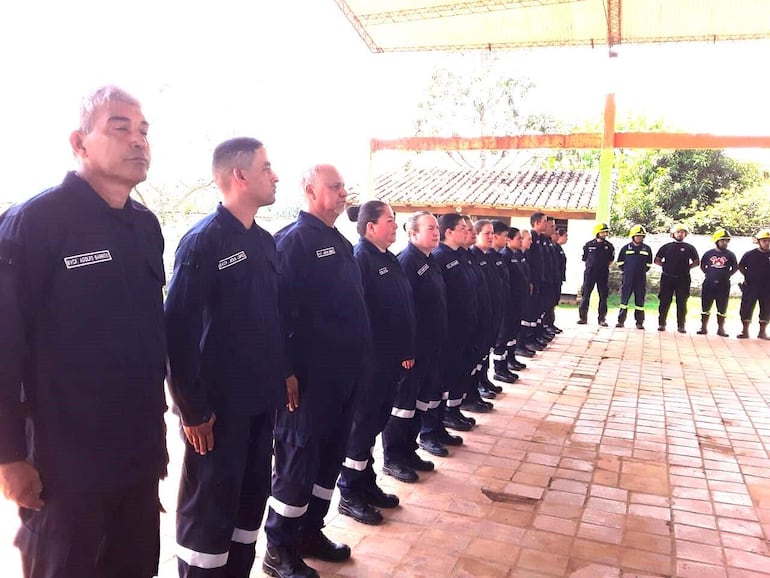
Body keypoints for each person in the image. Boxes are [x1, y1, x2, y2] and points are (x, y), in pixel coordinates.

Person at [0, 86, 167, 577]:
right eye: (120, 127)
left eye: (144, 132)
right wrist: (10, 455)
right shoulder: (35, 223)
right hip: (64, 467)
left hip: (137, 456)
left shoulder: (145, 226)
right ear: (79, 141)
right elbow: (4, 350)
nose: (138, 141)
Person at [165, 137, 285, 577]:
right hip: (217, 415)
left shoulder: (265, 242)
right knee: (208, 515)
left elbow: (270, 319)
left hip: (260, 405)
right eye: (267, 167)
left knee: (248, 507)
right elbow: (177, 330)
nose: (275, 176)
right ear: (240, 176)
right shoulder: (203, 242)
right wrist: (192, 409)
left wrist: (282, 377)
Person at [262, 164, 371, 578]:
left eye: (344, 185)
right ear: (309, 190)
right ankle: (279, 548)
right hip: (307, 383)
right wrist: (285, 370)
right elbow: (275, 314)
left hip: (343, 378)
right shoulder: (292, 243)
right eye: (335, 186)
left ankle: (310, 531)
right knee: (297, 464)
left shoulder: (337, 241)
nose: (344, 192)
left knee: (328, 460)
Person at [337, 201, 416, 522]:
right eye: (390, 221)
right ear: (371, 227)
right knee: (360, 429)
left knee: (374, 426)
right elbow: (359, 315)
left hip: (389, 362)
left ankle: (367, 483)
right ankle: (350, 491)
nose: (396, 226)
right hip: (371, 364)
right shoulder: (361, 259)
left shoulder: (388, 259)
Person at [384, 212, 449, 468]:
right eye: (430, 228)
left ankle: (409, 451)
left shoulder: (429, 259)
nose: (436, 232)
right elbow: (403, 309)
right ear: (412, 234)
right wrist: (407, 349)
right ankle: (394, 458)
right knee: (403, 407)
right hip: (413, 350)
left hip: (431, 347)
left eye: (436, 228)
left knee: (420, 402)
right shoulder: (407, 261)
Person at [431, 214, 477, 437]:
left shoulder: (460, 255)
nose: (468, 232)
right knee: (439, 383)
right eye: (462, 228)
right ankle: (432, 428)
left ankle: (448, 417)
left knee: (452, 377)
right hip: (448, 332)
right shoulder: (439, 256)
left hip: (463, 329)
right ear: (449, 232)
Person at [655, 223, 699, 333]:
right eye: (678, 232)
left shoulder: (689, 248)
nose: (680, 234)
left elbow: (696, 262)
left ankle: (681, 326)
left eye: (682, 232)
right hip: (667, 278)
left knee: (682, 302)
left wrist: (686, 268)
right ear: (673, 234)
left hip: (683, 279)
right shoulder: (666, 247)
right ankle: (661, 324)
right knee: (664, 301)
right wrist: (666, 266)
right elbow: (657, 260)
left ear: (685, 234)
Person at [697, 228, 738, 336]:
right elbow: (702, 266)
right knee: (705, 305)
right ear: (716, 241)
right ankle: (703, 327)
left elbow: (735, 268)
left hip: (723, 285)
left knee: (722, 306)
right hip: (709, 284)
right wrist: (709, 274)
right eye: (722, 240)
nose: (725, 243)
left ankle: (721, 329)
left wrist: (726, 276)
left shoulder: (731, 255)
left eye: (727, 241)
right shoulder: (708, 254)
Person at [615, 225, 653, 329]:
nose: (639, 238)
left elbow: (649, 264)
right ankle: (621, 321)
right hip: (628, 278)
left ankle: (639, 322)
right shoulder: (626, 248)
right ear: (633, 236)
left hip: (640, 279)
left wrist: (640, 271)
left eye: (641, 236)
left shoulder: (647, 249)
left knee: (639, 301)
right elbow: (620, 262)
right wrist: (628, 271)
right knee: (624, 301)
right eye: (637, 236)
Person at [577, 223, 615, 327]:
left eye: (606, 232)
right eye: (603, 232)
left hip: (603, 273)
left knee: (603, 296)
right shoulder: (589, 245)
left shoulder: (609, 246)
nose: (604, 234)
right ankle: (583, 318)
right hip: (590, 273)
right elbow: (585, 259)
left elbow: (611, 261)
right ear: (597, 232)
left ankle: (602, 319)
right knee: (586, 295)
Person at [737, 229, 770, 340]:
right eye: (764, 240)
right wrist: (747, 276)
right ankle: (745, 331)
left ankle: (762, 332)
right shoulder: (750, 254)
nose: (767, 243)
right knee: (746, 307)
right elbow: (741, 266)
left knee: (766, 308)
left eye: (769, 241)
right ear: (758, 241)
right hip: (751, 286)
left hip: (767, 287)